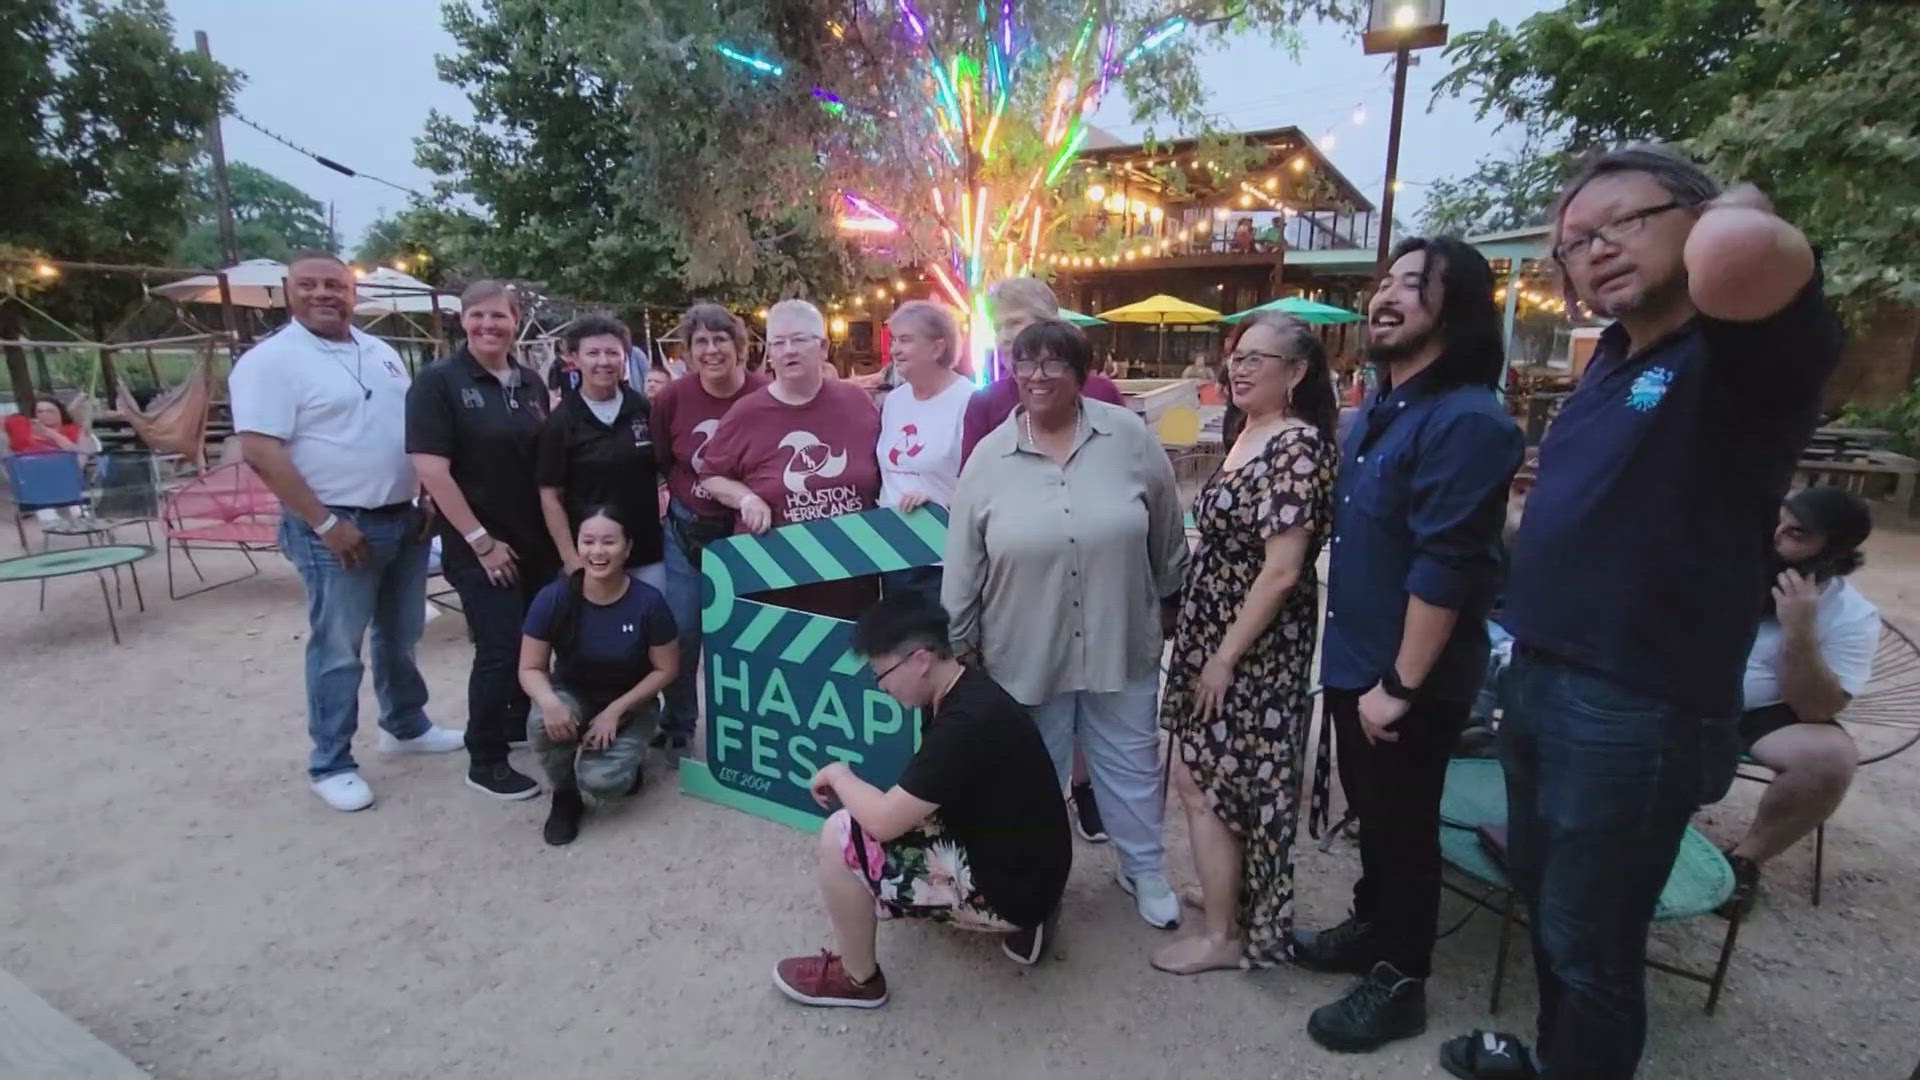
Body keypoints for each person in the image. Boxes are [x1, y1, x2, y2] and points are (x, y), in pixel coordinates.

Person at [1440, 147, 1839, 1080]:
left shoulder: (1743, 351)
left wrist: (1725, 197)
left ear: (1695, 220)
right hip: (1543, 676)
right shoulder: (1628, 358)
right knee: (1553, 908)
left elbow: (1743, 240)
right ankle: (1550, 1060)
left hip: (1635, 702)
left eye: (1625, 220)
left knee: (1592, 944)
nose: (1597, 249)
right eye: (1576, 241)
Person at [1294, 236, 1523, 1053]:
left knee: (1403, 824)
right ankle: (1372, 926)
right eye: (1383, 281)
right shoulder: (1381, 409)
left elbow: (1447, 564)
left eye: (1412, 286)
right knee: (1375, 818)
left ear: (1454, 308)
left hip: (1407, 676)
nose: (1385, 296)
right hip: (1358, 660)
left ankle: (1401, 979)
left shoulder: (1468, 420)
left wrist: (1400, 682)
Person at [944, 318, 1188, 929]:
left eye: (1054, 363)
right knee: (1032, 774)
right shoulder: (988, 458)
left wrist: (1168, 601)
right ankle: (1032, 881)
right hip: (1023, 645)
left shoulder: (1129, 437)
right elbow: (963, 560)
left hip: (1119, 635)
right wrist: (958, 641)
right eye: (1025, 363)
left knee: (1131, 761)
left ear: (1082, 374)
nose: (1036, 375)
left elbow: (1167, 531)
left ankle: (1143, 868)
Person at [231, 251, 463, 812]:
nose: (323, 294)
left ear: (351, 292)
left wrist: (422, 493)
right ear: (289, 291)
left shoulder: (379, 352)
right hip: (335, 525)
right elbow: (261, 450)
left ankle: (404, 725)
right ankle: (330, 761)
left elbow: (405, 430)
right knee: (338, 647)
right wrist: (324, 521)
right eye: (308, 285)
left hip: (402, 518)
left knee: (400, 631)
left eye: (334, 284)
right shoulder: (270, 362)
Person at [770, 593, 1070, 1008]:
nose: (882, 686)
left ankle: (859, 980)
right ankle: (1033, 914)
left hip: (1014, 888)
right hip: (1038, 866)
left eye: (882, 674)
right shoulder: (967, 688)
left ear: (920, 659)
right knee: (886, 811)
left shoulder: (964, 725)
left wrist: (839, 774)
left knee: (841, 835)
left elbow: (884, 822)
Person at [1153, 312, 1339, 974]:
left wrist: (1224, 659)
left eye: (1258, 358)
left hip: (1251, 651)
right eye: (1237, 354)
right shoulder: (1248, 431)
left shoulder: (1296, 448)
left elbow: (1284, 569)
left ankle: (1225, 936)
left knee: (1202, 781)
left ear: (1296, 373)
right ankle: (1230, 892)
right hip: (1218, 636)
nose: (1240, 366)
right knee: (1212, 780)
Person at [960, 276, 1125, 846]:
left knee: (1091, 685)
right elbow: (972, 503)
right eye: (1002, 327)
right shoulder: (984, 403)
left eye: (1021, 322)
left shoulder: (1100, 391)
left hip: (1095, 570)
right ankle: (1037, 807)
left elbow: (1130, 478)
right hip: (1022, 577)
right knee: (1035, 694)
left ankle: (1087, 787)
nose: (1011, 337)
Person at [408, 280, 561, 802]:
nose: (488, 325)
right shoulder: (438, 384)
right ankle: (486, 757)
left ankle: (516, 723)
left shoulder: (530, 382)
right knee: (498, 649)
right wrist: (480, 541)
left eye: (499, 316)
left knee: (534, 642)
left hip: (534, 542)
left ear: (515, 320)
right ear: (462, 320)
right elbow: (431, 468)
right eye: (478, 316)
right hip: (481, 545)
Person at [1720, 487, 1879, 916]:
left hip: (1762, 712)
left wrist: (1799, 632)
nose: (1774, 536)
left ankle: (1746, 861)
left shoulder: (1851, 614)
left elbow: (1816, 710)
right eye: (1775, 521)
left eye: (1796, 533)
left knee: (1830, 758)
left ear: (1835, 551)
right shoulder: (1726, 565)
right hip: (1680, 689)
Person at [698, 299, 881, 620]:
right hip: (774, 578)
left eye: (799, 340)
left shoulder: (856, 402)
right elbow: (711, 475)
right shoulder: (746, 413)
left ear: (823, 347)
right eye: (778, 343)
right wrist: (746, 498)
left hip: (852, 575)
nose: (788, 351)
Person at [518, 507, 678, 845]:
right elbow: (529, 668)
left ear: (627, 548)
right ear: (577, 546)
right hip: (573, 692)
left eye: (609, 542)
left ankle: (628, 763)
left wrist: (615, 711)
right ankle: (564, 795)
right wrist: (549, 701)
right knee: (540, 721)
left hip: (630, 703)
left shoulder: (648, 602)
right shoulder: (554, 597)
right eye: (588, 541)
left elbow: (667, 668)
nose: (597, 551)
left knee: (605, 784)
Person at [649, 303, 766, 750]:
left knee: (747, 631)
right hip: (687, 530)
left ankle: (752, 724)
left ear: (739, 347)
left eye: (721, 340)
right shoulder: (671, 399)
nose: (711, 349)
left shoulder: (764, 394)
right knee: (681, 629)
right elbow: (661, 458)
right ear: (689, 350)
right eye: (701, 341)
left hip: (748, 532)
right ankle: (679, 723)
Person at [535, 314, 666, 593]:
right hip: (593, 556)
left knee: (656, 628)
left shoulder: (642, 408)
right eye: (593, 353)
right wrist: (571, 558)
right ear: (574, 358)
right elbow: (550, 497)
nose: (603, 361)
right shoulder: (561, 421)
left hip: (646, 551)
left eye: (612, 353)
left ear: (624, 357)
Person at [958, 277, 1125, 463]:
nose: (1004, 337)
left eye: (1014, 323)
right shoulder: (985, 403)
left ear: (1049, 325)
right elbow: (973, 485)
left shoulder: (1101, 391)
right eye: (998, 328)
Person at [876, 300, 971, 607]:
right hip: (891, 552)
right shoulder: (894, 401)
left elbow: (983, 483)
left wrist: (941, 503)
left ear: (937, 347)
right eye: (894, 340)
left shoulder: (969, 401)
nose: (895, 350)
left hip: (943, 559)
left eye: (906, 340)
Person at [5, 398, 83, 454]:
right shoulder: (23, 428)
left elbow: (76, 453)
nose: (45, 414)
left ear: (60, 413)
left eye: (50, 411)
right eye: (40, 412)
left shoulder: (72, 430)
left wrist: (48, 432)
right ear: (34, 414)